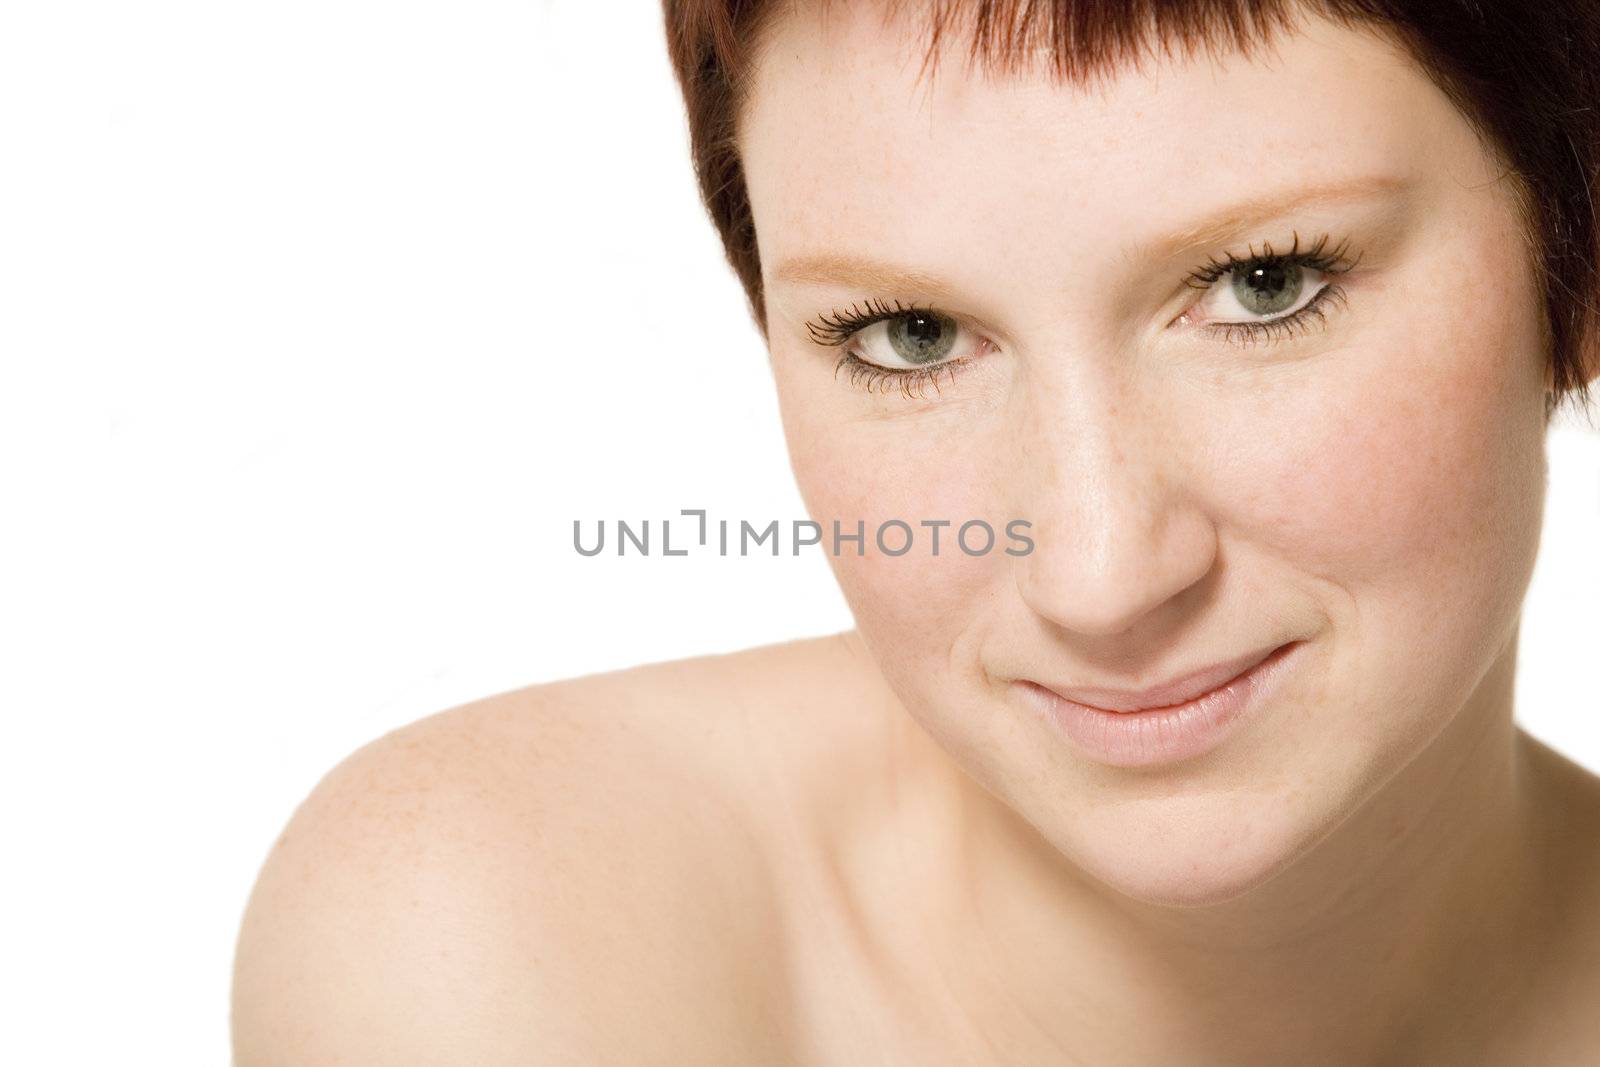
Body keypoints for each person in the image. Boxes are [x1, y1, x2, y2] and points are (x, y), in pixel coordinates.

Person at [231, 1, 1600, 1062]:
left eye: (1263, 285)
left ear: (1577, 270)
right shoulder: (498, 953)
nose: (1100, 575)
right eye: (913, 336)